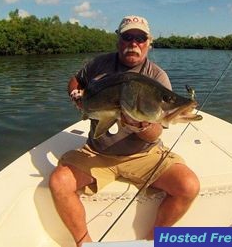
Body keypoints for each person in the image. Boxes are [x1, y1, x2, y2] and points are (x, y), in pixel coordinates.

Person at [49, 15, 200, 246]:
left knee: (188, 186)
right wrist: (76, 95)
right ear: (118, 40)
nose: (134, 43)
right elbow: (75, 80)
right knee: (59, 182)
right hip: (97, 153)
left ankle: (151, 241)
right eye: (128, 36)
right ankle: (83, 243)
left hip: (144, 155)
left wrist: (142, 126)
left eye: (140, 38)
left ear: (149, 42)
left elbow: (155, 134)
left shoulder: (157, 76)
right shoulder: (99, 64)